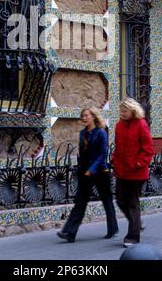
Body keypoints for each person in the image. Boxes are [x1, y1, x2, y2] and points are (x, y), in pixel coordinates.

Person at [57, 107, 118, 243]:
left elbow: (103, 154)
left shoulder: (101, 133)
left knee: (107, 201)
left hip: (100, 172)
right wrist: (82, 170)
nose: (84, 118)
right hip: (85, 172)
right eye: (82, 115)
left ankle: (113, 229)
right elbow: (82, 154)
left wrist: (92, 169)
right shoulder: (83, 133)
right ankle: (69, 232)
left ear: (93, 117)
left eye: (87, 115)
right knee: (80, 202)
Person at [111, 97, 154, 248]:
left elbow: (148, 149)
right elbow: (117, 147)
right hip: (122, 171)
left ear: (132, 110)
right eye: (121, 111)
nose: (122, 113)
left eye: (125, 111)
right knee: (120, 200)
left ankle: (133, 237)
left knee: (132, 203)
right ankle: (137, 222)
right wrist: (114, 161)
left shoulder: (141, 124)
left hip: (137, 172)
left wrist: (138, 163)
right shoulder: (119, 126)